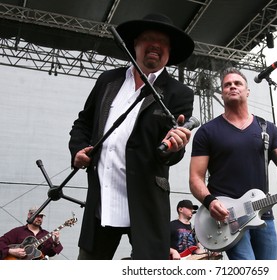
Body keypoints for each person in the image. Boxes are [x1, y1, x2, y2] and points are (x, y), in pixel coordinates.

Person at [68, 13, 195, 260]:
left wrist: (175, 147)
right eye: (149, 38)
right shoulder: (108, 80)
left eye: (163, 42)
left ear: (169, 51)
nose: (156, 45)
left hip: (147, 202)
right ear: (135, 44)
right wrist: (78, 149)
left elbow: (172, 152)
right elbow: (83, 123)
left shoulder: (179, 93)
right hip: (102, 199)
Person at [189, 67, 277, 260]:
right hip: (226, 217)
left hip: (262, 214)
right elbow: (195, 178)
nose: (232, 86)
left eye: (238, 83)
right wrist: (210, 201)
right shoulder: (207, 132)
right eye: (227, 84)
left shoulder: (267, 129)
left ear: (247, 91)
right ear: (222, 92)